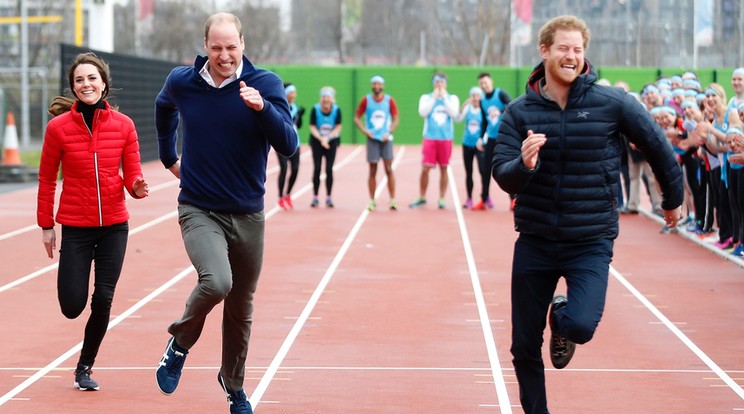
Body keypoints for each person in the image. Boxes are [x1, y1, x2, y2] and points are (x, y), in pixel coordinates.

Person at [492, 15, 683, 414]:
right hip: (536, 239)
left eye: (578, 49)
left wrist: (672, 199)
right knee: (523, 344)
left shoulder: (611, 103)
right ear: (544, 50)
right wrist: (524, 165)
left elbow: (657, 147)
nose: (571, 56)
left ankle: (561, 317)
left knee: (580, 325)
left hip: (590, 240)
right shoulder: (518, 112)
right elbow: (503, 176)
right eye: (563, 48)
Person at [154, 12, 298, 414]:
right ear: (205, 46)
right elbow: (163, 107)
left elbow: (288, 145)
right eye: (216, 47)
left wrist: (262, 109)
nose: (224, 55)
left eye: (231, 47)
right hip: (199, 207)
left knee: (240, 306)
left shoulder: (265, 84)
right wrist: (169, 157)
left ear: (243, 44)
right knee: (216, 282)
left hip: (248, 214)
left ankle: (234, 387)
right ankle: (179, 344)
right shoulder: (183, 81)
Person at [37, 52, 150, 391]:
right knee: (72, 306)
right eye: (79, 80)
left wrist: (138, 187)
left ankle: (84, 366)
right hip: (75, 226)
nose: (86, 84)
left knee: (103, 298)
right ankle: (81, 348)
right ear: (73, 87)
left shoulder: (124, 125)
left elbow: (132, 173)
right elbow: (45, 180)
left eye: (92, 78)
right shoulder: (58, 129)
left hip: (115, 225)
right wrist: (46, 226)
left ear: (104, 83)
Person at [409, 71, 460, 209]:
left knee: (444, 168)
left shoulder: (452, 98)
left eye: (442, 82)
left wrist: (443, 98)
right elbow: (422, 112)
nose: (439, 84)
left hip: (446, 138)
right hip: (430, 138)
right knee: (425, 168)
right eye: (437, 82)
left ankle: (442, 198)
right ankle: (422, 196)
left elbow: (454, 114)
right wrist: (434, 98)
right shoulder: (426, 97)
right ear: (433, 83)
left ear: (445, 83)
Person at [353, 75, 399, 211]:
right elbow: (356, 117)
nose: (376, 86)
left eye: (379, 84)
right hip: (372, 138)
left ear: (383, 85)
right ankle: (372, 200)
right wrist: (365, 131)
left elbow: (396, 119)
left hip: (385, 139)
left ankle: (392, 199)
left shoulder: (389, 100)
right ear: (372, 86)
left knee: (389, 168)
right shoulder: (366, 100)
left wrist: (389, 132)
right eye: (374, 84)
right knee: (372, 170)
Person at [473, 72, 511, 210]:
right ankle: (484, 199)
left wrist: (500, 111)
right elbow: (484, 122)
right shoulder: (482, 101)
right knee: (486, 169)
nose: (484, 85)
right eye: (481, 83)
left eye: (486, 82)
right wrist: (479, 137)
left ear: (491, 81)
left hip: (505, 137)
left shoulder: (500, 93)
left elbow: (512, 105)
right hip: (491, 138)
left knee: (507, 168)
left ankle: (513, 199)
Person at [309, 86, 342, 208]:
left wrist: (327, 138)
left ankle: (329, 197)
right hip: (317, 141)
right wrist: (321, 138)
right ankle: (315, 197)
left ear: (332, 99)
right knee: (317, 168)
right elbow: (312, 126)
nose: (326, 99)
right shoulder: (315, 109)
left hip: (331, 141)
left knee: (329, 169)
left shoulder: (337, 110)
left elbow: (338, 126)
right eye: (324, 97)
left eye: (328, 97)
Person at [455, 86, 486, 209]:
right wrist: (464, 104)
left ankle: (485, 197)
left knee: (483, 171)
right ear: (471, 97)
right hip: (467, 144)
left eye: (478, 96)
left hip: (479, 145)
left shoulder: (483, 110)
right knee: (469, 172)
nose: (476, 98)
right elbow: (458, 119)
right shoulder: (468, 109)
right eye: (474, 96)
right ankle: (469, 198)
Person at [277, 82, 304, 210]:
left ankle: (288, 194)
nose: (294, 95)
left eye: (294, 93)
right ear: (286, 93)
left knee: (295, 169)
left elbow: (297, 125)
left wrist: (300, 116)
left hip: (295, 142)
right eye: (292, 92)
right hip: (281, 141)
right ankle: (280, 196)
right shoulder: (280, 106)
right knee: (283, 168)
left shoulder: (295, 107)